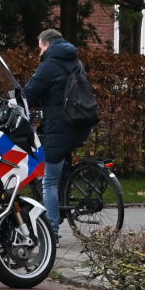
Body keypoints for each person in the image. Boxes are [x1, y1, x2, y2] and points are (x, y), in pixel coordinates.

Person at [21, 28, 93, 241]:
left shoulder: (50, 65)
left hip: (61, 127)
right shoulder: (75, 61)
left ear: (47, 45)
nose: (39, 52)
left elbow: (30, 92)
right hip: (81, 124)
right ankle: (59, 209)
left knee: (49, 180)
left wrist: (16, 101)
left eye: (40, 47)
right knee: (60, 168)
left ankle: (51, 231)